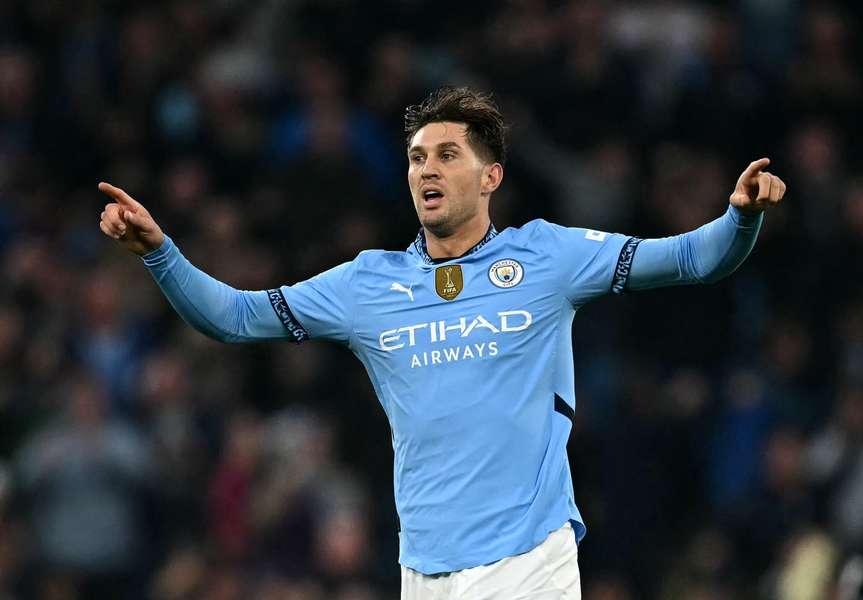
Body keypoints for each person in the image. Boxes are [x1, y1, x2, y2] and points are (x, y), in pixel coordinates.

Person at [98, 87, 786, 599]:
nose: (426, 169)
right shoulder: (368, 284)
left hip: (527, 562)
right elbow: (235, 317)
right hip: (422, 569)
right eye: (417, 157)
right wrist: (161, 253)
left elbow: (694, 258)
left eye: (447, 155)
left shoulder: (547, 257)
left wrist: (741, 216)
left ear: (490, 176)